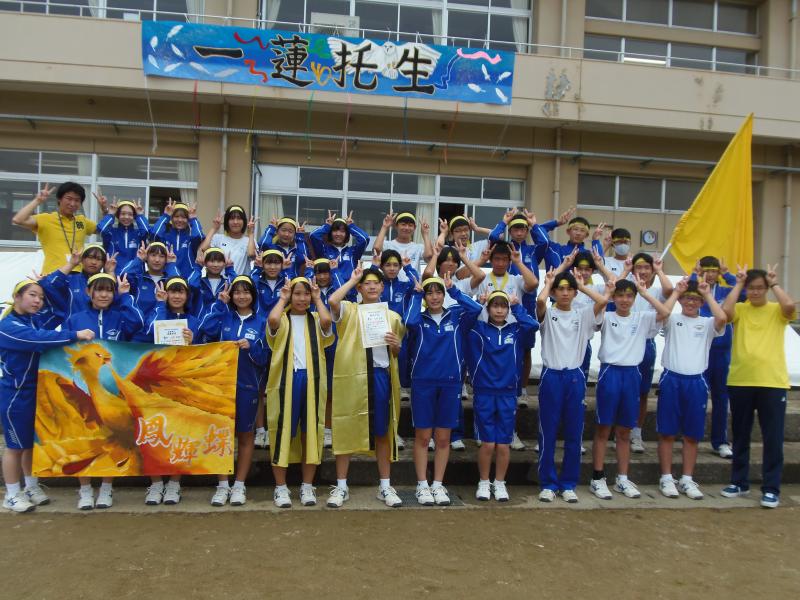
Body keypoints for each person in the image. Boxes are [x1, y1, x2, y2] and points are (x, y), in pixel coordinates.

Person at [0, 280, 94, 513]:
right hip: (15, 395)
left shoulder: (34, 319)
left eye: (41, 297)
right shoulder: (7, 326)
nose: (38, 301)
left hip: (37, 391)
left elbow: (61, 311)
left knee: (30, 443)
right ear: (17, 296)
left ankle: (31, 486)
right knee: (15, 446)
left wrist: (46, 284)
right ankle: (11, 494)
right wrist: (76, 334)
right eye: (32, 295)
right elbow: (38, 339)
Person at [64, 273, 145, 510]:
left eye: (109, 290)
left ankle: (107, 488)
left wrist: (125, 296)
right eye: (99, 290)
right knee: (87, 437)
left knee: (111, 438)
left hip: (110, 391)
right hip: (82, 388)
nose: (104, 295)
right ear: (88, 292)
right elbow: (61, 346)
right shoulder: (75, 319)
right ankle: (85, 490)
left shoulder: (120, 316)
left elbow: (138, 324)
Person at [326, 266, 405, 508]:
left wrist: (396, 345)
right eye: (366, 283)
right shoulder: (350, 310)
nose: (371, 286)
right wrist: (353, 279)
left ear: (382, 286)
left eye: (375, 283)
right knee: (346, 429)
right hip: (352, 377)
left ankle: (385, 485)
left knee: (382, 432)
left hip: (380, 375)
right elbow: (332, 300)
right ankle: (341, 486)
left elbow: (395, 353)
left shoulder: (392, 316)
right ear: (360, 288)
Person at [720, 265, 797, 509]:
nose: (755, 292)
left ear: (766, 289)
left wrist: (774, 283)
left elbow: (790, 307)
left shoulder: (776, 310)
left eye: (760, 288)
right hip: (741, 380)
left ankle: (771, 488)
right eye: (751, 288)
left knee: (772, 438)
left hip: (772, 382)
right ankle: (739, 482)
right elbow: (725, 312)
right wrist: (738, 284)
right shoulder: (741, 309)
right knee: (740, 435)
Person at [403, 273, 482, 506]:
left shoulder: (456, 316)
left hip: (450, 383)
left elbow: (476, 309)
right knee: (422, 437)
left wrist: (454, 291)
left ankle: (438, 484)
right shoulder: (419, 319)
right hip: (423, 383)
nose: (435, 297)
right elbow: (408, 322)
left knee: (444, 438)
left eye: (439, 292)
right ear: (425, 297)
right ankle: (422, 485)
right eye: (430, 293)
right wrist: (416, 295)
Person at [589, 278, 670, 501]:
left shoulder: (642, 317)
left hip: (632, 375)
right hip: (610, 373)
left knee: (625, 430)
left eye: (629, 296)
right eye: (620, 295)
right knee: (604, 428)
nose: (624, 300)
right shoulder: (606, 316)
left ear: (634, 298)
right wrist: (607, 293)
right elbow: (596, 308)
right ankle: (597, 477)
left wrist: (644, 293)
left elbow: (665, 312)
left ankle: (622, 478)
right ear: (614, 297)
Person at [535, 270, 607, 503]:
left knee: (574, 433)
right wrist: (548, 283)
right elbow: (540, 302)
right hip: (551, 376)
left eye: (569, 289)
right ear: (554, 292)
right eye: (561, 289)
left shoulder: (582, 314)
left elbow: (603, 301)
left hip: (574, 377)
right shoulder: (548, 313)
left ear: (575, 293)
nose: (565, 293)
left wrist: (582, 286)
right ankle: (548, 483)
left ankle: (568, 484)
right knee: (548, 432)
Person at [197, 276, 268, 507]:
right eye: (237, 292)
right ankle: (222, 485)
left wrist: (251, 347)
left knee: (246, 436)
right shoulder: (223, 316)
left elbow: (265, 358)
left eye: (246, 292)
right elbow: (204, 330)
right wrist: (220, 304)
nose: (241, 296)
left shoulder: (262, 322)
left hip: (248, 388)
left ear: (253, 295)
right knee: (222, 436)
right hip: (221, 387)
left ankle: (239, 485)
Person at [266, 277, 333, 508]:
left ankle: (307, 485)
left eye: (306, 294)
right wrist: (283, 298)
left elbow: (327, 321)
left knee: (310, 433)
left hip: (312, 380)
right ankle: (280, 487)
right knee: (281, 431)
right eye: (297, 294)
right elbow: (272, 320)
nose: (302, 298)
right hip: (286, 380)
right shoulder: (283, 318)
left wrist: (318, 298)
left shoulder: (315, 318)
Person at [656, 278, 727, 500]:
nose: (690, 302)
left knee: (692, 434)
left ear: (701, 302)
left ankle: (687, 478)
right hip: (672, 379)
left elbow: (722, 318)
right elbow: (662, 313)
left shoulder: (706, 323)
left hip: (696, 382)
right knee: (667, 432)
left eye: (695, 299)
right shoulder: (672, 318)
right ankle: (666, 477)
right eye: (687, 298)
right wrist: (677, 293)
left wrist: (707, 295)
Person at [466, 290, 538, 502]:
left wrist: (516, 306)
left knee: (504, 444)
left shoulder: (516, 331)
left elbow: (533, 325)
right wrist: (479, 304)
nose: (499, 310)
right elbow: (466, 319)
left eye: (503, 306)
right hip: (484, 393)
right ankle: (484, 482)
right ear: (488, 309)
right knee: (488, 443)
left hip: (507, 393)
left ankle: (499, 483)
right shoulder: (478, 330)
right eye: (495, 306)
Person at [472, 241, 538, 451]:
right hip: (486, 335)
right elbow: (463, 278)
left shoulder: (516, 279)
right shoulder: (483, 278)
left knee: (510, 387)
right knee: (485, 386)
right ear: (491, 260)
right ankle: (482, 430)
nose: (500, 263)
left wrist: (518, 262)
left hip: (511, 335)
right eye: (497, 259)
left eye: (504, 260)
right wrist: (480, 260)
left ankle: (511, 431)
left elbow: (533, 283)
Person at [142, 276, 199, 506]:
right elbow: (147, 332)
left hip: (182, 384)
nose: (176, 296)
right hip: (155, 383)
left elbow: (201, 352)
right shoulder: (156, 313)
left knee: (180, 433)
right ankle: (156, 483)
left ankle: (175, 483)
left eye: (180, 292)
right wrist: (158, 305)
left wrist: (193, 341)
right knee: (153, 432)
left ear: (187, 296)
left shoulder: (193, 321)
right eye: (172, 291)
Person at [618, 252, 674, 453]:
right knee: (622, 392)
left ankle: (636, 433)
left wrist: (659, 270)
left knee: (642, 393)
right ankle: (620, 432)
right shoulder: (626, 291)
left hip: (646, 345)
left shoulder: (656, 291)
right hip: (624, 345)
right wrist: (625, 269)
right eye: (639, 267)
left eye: (647, 268)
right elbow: (612, 287)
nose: (643, 271)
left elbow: (670, 290)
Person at [691, 256, 742, 458]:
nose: (710, 274)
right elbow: (682, 291)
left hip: (722, 353)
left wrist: (728, 274)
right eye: (706, 270)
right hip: (700, 351)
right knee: (698, 396)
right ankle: (692, 437)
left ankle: (720, 442)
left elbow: (743, 292)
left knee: (721, 398)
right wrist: (694, 274)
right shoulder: (696, 292)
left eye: (714, 271)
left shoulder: (726, 292)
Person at [12, 182, 97, 275]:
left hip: (77, 274)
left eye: (77, 200)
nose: (72, 203)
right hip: (52, 274)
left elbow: (105, 230)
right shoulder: (46, 219)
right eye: (69, 199)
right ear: (59, 199)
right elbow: (18, 219)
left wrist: (104, 210)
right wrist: (37, 200)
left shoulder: (82, 221)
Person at [38, 244, 116, 322]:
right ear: (82, 259)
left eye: (99, 259)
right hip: (73, 328)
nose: (94, 262)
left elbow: (116, 299)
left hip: (101, 327)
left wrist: (110, 272)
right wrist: (71, 264)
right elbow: (48, 285)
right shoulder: (70, 279)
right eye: (90, 257)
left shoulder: (107, 282)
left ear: (103, 263)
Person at [119, 242, 180, 334]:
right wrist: (139, 259)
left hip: (165, 333)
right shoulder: (138, 279)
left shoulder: (169, 280)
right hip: (139, 335)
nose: (157, 260)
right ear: (147, 257)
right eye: (153, 255)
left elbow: (178, 283)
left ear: (166, 259)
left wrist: (171, 264)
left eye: (161, 256)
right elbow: (124, 276)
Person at [310, 211, 370, 291]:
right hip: (330, 295)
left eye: (342, 231)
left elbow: (364, 239)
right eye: (335, 230)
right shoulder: (324, 250)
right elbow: (313, 236)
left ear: (347, 234)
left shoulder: (353, 252)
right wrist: (327, 226)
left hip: (350, 295)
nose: (338, 234)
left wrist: (351, 226)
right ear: (330, 233)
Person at [94, 193, 150, 275]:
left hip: (135, 276)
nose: (126, 217)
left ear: (134, 217)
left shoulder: (138, 234)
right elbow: (102, 229)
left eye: (130, 214)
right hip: (113, 275)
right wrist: (111, 214)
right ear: (118, 215)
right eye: (123, 214)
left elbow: (146, 231)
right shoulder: (111, 233)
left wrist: (140, 215)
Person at [150, 198, 204, 279]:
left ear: (188, 219)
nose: (180, 220)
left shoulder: (191, 238)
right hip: (166, 279)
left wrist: (193, 219)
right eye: (176, 216)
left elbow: (198, 236)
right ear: (171, 218)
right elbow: (155, 233)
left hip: (187, 279)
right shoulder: (165, 236)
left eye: (184, 217)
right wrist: (166, 216)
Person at [198, 205, 257, 276]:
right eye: (232, 218)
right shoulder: (218, 238)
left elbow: (251, 254)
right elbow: (203, 249)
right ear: (227, 221)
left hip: (240, 282)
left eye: (239, 218)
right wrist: (214, 228)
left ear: (244, 221)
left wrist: (251, 234)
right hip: (220, 282)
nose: (235, 222)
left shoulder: (249, 240)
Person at [373, 211, 433, 278]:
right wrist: (385, 227)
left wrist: (425, 234)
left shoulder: (418, 247)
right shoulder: (387, 244)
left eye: (410, 225)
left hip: (413, 284)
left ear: (415, 228)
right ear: (396, 226)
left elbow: (429, 257)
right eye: (403, 224)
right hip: (392, 283)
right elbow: (376, 250)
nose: (407, 228)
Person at [187, 247, 237, 320]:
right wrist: (198, 267)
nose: (215, 265)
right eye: (212, 261)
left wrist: (229, 268)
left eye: (219, 261)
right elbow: (191, 284)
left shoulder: (227, 282)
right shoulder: (199, 281)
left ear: (224, 263)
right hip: (200, 322)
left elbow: (236, 284)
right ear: (205, 263)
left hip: (222, 323)